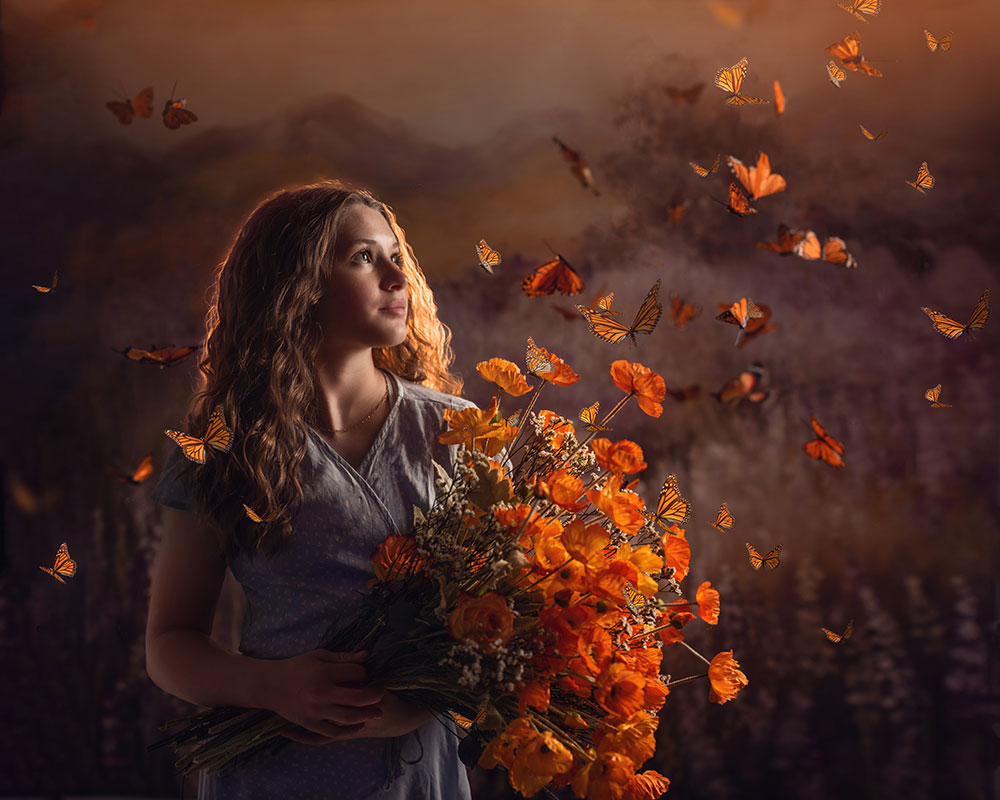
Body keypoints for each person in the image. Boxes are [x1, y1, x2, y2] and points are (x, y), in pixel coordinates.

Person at [144, 180, 478, 799]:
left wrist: (412, 706)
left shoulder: (454, 431)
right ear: (293, 286)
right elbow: (169, 644)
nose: (397, 279)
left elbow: (506, 626)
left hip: (412, 772)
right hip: (271, 772)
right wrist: (271, 688)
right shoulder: (223, 446)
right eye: (362, 258)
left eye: (396, 258)